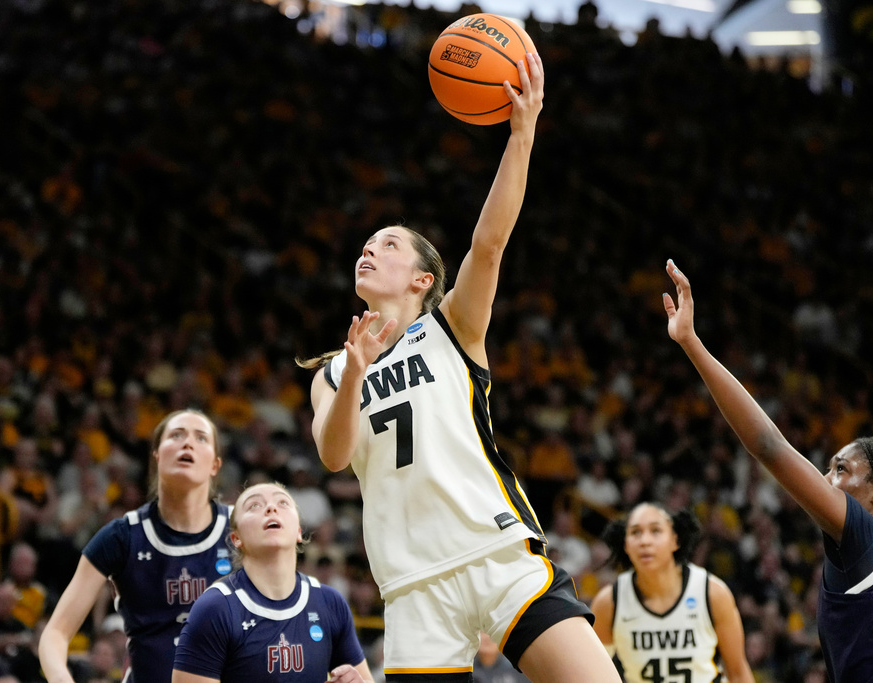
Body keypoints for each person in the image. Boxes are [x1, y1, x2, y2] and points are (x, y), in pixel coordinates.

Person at [301, 53, 620, 683]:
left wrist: (522, 132)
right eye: (366, 245)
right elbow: (334, 457)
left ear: (423, 279)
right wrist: (356, 372)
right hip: (412, 582)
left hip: (495, 549)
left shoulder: (451, 327)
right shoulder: (332, 373)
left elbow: (489, 243)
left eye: (388, 243)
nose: (369, 249)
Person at [662, 259, 873, 681]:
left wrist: (692, 343)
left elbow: (768, 445)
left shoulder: (870, 536)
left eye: (840, 469)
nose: (825, 480)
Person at [39, 409, 234, 683]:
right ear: (156, 455)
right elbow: (55, 633)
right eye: (176, 435)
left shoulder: (243, 529)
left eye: (201, 438)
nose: (188, 443)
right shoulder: (122, 536)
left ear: (215, 464)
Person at [172, 481, 371, 683]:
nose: (271, 508)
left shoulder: (330, 602)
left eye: (283, 503)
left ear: (299, 531)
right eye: (254, 505)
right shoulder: (215, 608)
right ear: (236, 538)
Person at [589, 503, 754, 683]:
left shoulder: (712, 593)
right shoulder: (609, 603)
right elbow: (591, 675)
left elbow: (738, 672)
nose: (645, 541)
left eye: (656, 531)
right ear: (626, 545)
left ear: (675, 540)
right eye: (635, 532)